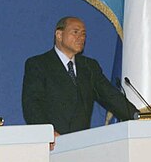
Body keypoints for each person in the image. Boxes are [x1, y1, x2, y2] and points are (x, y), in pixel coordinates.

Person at [22, 16, 137, 146]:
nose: (81, 38)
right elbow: (32, 105)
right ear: (59, 35)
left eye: (84, 34)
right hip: (52, 144)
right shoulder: (39, 64)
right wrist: (46, 133)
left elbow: (112, 97)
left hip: (81, 145)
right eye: (75, 32)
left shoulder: (89, 67)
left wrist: (138, 117)